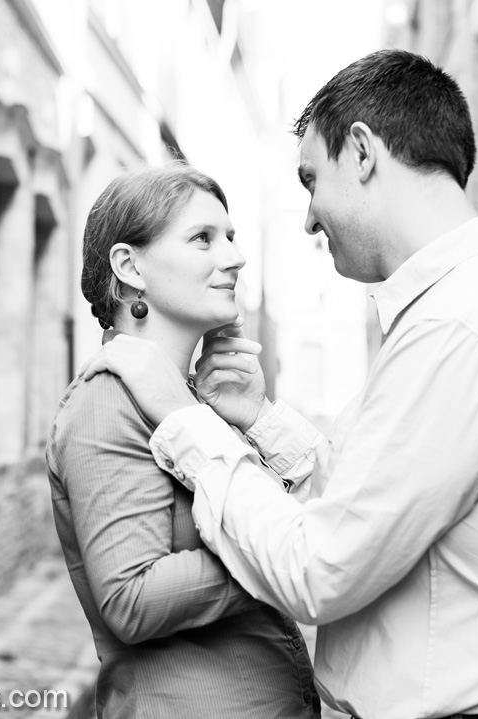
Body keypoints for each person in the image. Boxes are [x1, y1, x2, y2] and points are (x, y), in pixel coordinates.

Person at [79, 50, 478, 719]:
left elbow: (320, 566)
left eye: (310, 179)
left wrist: (186, 418)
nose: (309, 218)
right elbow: (380, 495)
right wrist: (260, 419)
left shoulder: (462, 328)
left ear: (361, 153)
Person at [46, 163, 320, 718]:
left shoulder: (196, 403)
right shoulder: (107, 402)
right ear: (130, 266)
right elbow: (132, 598)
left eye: (232, 237)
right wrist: (282, 544)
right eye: (203, 239)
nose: (235, 258)